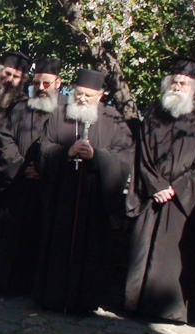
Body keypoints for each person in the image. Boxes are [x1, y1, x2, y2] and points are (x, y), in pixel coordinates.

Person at [125, 58, 195, 323]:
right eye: (174, 82)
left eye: (184, 83)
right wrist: (155, 185)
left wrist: (175, 188)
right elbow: (141, 154)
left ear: (194, 88)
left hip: (181, 200)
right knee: (141, 250)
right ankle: (135, 303)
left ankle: (168, 311)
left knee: (173, 255)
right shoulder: (154, 114)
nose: (178, 86)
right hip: (151, 194)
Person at [33, 67, 134, 313]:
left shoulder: (113, 119)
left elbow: (125, 156)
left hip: (94, 199)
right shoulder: (59, 114)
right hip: (63, 195)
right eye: (78, 93)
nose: (81, 99)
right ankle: (53, 296)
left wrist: (97, 156)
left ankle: (85, 301)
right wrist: (66, 152)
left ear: (100, 96)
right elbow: (44, 147)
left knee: (91, 249)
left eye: (88, 96)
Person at [0, 57, 62, 296]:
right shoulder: (21, 107)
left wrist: (43, 169)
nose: (41, 88)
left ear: (58, 83)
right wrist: (21, 166)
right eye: (37, 83)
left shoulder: (64, 113)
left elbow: (63, 145)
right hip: (17, 184)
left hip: (46, 188)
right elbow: (4, 138)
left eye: (46, 84)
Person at [0, 51, 29, 124]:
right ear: (0, 72)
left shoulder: (24, 106)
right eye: (8, 73)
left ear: (22, 80)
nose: (10, 79)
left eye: (16, 76)